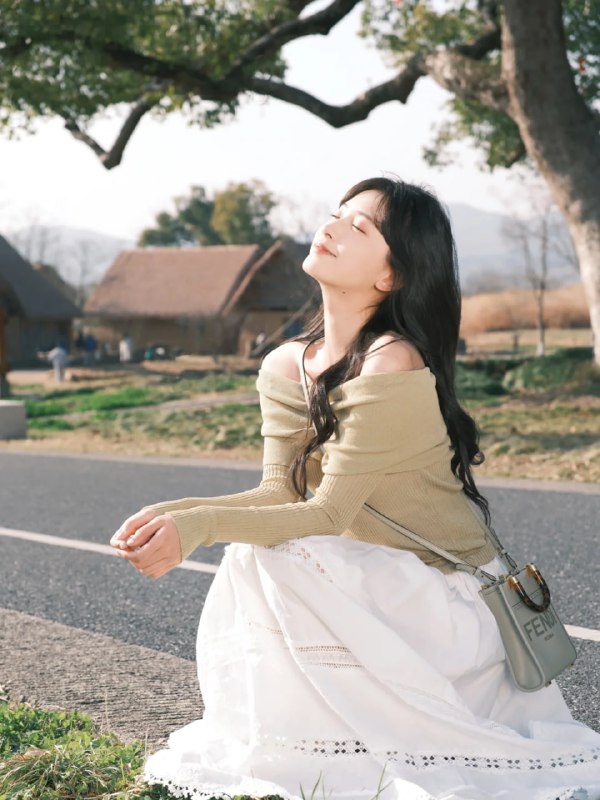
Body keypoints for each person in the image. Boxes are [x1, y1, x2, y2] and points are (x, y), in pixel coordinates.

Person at [110, 178, 600, 800]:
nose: (333, 226)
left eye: (360, 227)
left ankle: (339, 751)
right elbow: (279, 493)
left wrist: (199, 527)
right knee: (258, 550)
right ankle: (301, 749)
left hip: (446, 597)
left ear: (391, 276)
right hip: (378, 583)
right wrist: (171, 514)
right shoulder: (287, 362)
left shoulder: (393, 360)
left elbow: (328, 512)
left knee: (274, 555)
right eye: (337, 214)